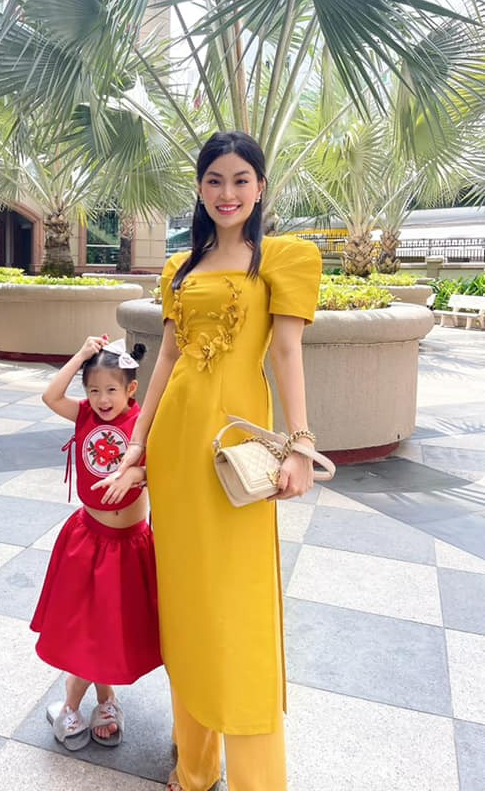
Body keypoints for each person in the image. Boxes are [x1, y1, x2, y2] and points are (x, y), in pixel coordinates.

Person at [93, 132, 322, 791]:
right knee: (188, 606)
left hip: (237, 456)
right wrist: (137, 447)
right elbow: (166, 358)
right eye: (215, 180)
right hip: (176, 454)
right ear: (199, 188)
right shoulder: (179, 268)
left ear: (260, 187)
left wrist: (301, 444)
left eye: (241, 179)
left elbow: (286, 354)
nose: (228, 193)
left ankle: (256, 779)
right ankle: (194, 767)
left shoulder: (284, 258)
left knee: (239, 609)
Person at [31, 335, 162, 752]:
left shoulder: (141, 424)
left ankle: (99, 701)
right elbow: (51, 396)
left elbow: (162, 467)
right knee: (88, 626)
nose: (102, 399)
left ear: (131, 389)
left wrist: (138, 474)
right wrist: (82, 356)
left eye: (111, 390)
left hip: (129, 544)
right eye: (93, 390)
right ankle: (82, 704)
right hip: (89, 539)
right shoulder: (85, 414)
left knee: (108, 627)